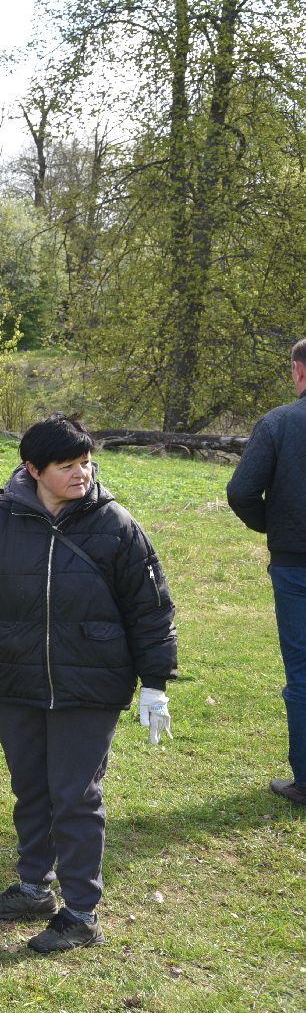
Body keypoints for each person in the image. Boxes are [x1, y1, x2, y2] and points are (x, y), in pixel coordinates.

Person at [0, 414, 177, 954]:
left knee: (74, 797)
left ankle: (80, 913)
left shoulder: (116, 525)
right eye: (67, 466)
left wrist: (155, 682)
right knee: (31, 789)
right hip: (16, 677)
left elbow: (151, 608)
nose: (82, 474)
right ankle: (32, 888)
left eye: (86, 462)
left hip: (92, 683)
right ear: (33, 470)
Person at [226, 336, 306, 808]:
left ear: (298, 371)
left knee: (303, 673)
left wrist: (273, 526)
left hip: (296, 565)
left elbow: (241, 491)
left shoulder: (279, 423)